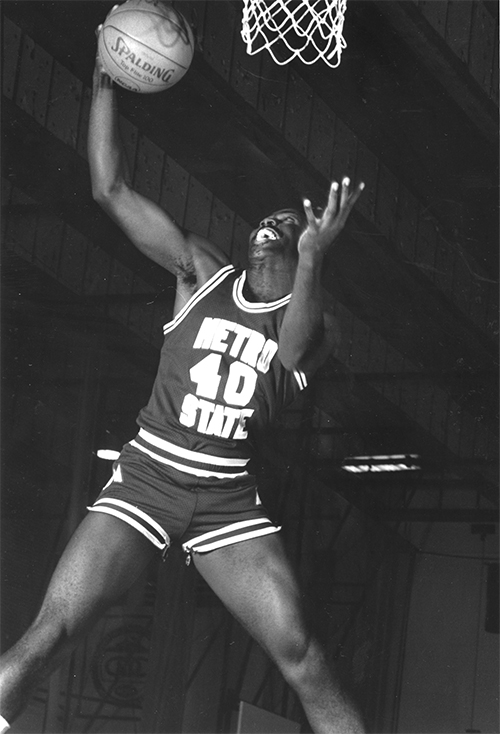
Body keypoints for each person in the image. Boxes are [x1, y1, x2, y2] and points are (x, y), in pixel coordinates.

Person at [0, 35, 366, 734]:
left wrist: (317, 258)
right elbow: (109, 188)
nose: (274, 223)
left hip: (226, 501)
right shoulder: (200, 274)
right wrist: (104, 81)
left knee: (304, 657)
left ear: (303, 252)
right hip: (147, 479)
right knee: (49, 632)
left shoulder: (306, 332)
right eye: (271, 218)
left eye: (292, 225)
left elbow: (291, 345)